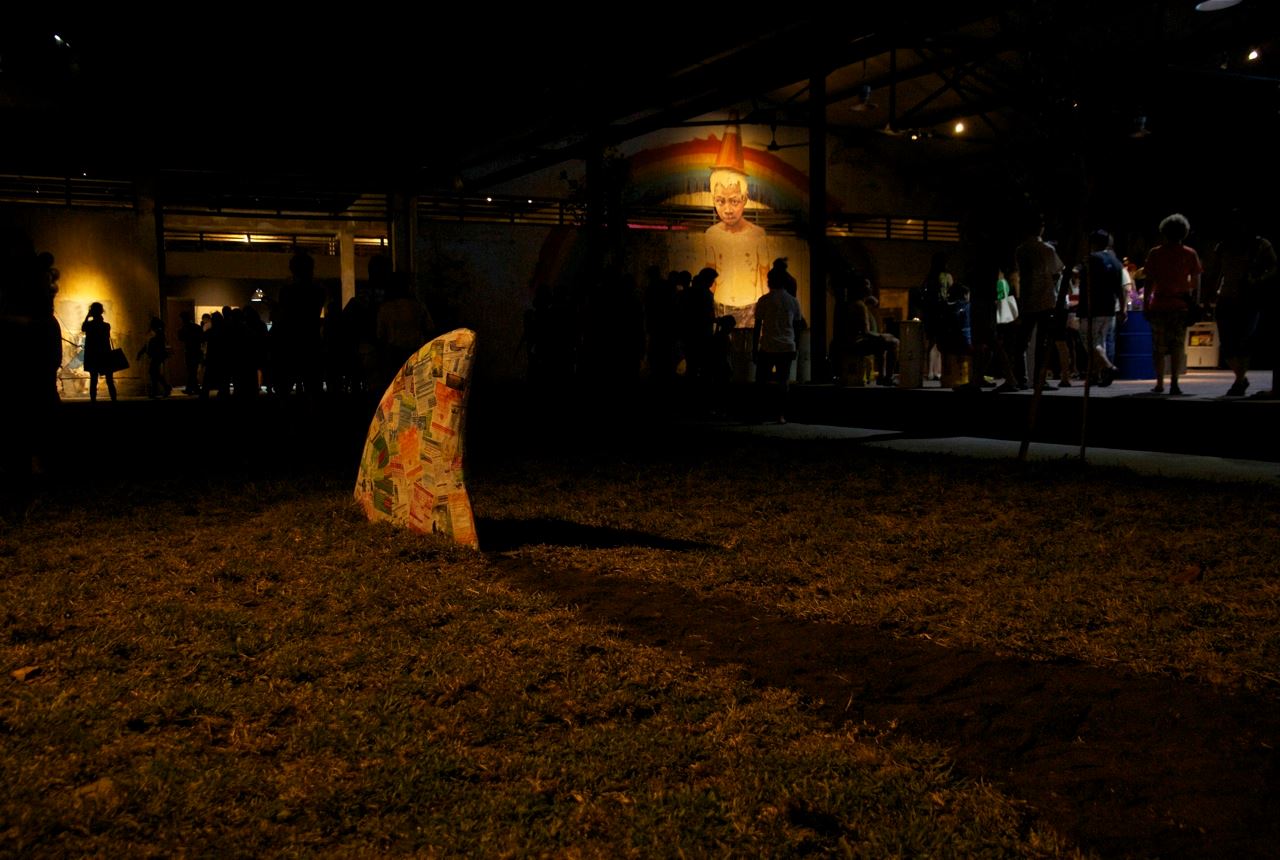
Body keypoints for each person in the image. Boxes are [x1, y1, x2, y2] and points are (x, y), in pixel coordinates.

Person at [704, 116, 769, 327]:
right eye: (720, 201)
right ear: (713, 200)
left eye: (734, 201)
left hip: (751, 307)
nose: (728, 209)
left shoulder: (757, 234)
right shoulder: (712, 234)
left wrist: (766, 315)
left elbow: (764, 277)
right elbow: (710, 279)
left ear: (745, 199)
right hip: (720, 306)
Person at [1204, 210, 1277, 397]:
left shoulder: (1261, 245)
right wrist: (1209, 294)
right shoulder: (1223, 246)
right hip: (1226, 297)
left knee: (1243, 341)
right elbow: (1215, 272)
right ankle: (1240, 378)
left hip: (1249, 299)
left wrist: (1258, 280)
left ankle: (1239, 381)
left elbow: (1273, 267)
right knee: (1228, 343)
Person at [1142, 213, 1203, 396]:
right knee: (1177, 346)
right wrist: (1195, 303)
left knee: (1159, 347)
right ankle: (1175, 382)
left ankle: (1160, 383)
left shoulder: (1155, 253)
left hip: (1159, 305)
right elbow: (1197, 281)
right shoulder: (1190, 253)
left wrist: (1146, 303)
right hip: (1180, 305)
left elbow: (1149, 281)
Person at [1012, 214, 1065, 391]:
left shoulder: (1021, 250)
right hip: (1045, 299)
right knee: (1042, 342)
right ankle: (1039, 379)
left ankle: (1021, 377)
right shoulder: (1047, 249)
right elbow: (1057, 272)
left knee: (1022, 342)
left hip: (1028, 299)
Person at [752, 260, 804, 423]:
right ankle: (780, 415)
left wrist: (754, 348)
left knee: (761, 382)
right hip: (787, 345)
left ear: (770, 281)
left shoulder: (764, 300)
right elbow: (797, 327)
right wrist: (796, 347)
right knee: (783, 382)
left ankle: (759, 414)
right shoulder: (793, 301)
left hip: (767, 345)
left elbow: (757, 326)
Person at [1081, 229, 1127, 387]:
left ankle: (1108, 367)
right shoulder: (1116, 261)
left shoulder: (1091, 259)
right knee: (1101, 341)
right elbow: (1120, 288)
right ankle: (1095, 375)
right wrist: (1122, 309)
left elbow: (1085, 283)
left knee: (1089, 342)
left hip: (1092, 307)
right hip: (1109, 307)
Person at [376, 271, 435, 387]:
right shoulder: (418, 306)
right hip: (416, 353)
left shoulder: (385, 309)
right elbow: (430, 328)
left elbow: (380, 334)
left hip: (394, 355)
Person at [846, 274, 899, 386]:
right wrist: (882, 336)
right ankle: (888, 377)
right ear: (860, 288)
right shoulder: (860, 306)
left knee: (882, 342)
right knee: (893, 342)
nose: (869, 287)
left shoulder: (858, 303)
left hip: (854, 341)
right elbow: (865, 332)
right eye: (867, 285)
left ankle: (882, 376)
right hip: (856, 344)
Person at [81, 301, 119, 402]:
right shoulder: (106, 326)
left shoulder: (89, 325)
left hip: (92, 355)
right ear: (101, 312)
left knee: (93, 380)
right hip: (105, 354)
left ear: (92, 312)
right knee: (109, 380)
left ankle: (93, 401)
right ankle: (114, 400)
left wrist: (87, 316)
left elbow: (83, 328)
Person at [137, 315, 172, 398]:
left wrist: (142, 352)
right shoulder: (158, 333)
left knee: (153, 373)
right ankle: (164, 388)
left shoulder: (159, 333)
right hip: (157, 355)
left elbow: (153, 344)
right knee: (155, 373)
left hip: (157, 355)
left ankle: (157, 390)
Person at [178, 309, 204, 395]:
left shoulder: (184, 328)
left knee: (191, 370)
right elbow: (201, 338)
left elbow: (181, 338)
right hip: (196, 350)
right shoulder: (197, 327)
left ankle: (192, 388)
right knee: (193, 370)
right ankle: (194, 388)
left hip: (189, 351)